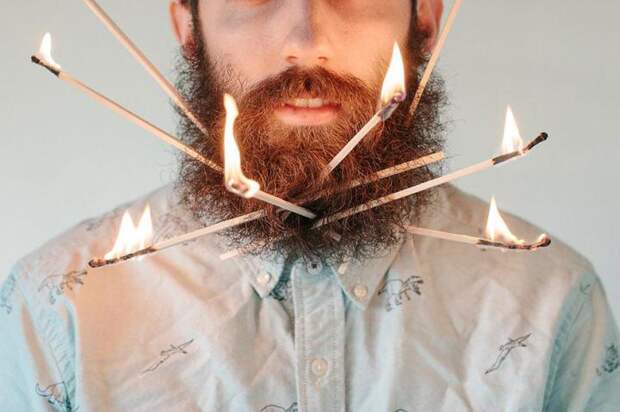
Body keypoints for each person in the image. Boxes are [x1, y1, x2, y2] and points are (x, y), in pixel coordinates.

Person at [1, 0, 618, 410]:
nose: (306, 43)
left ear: (426, 17)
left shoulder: (554, 300)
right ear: (188, 26)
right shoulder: (55, 311)